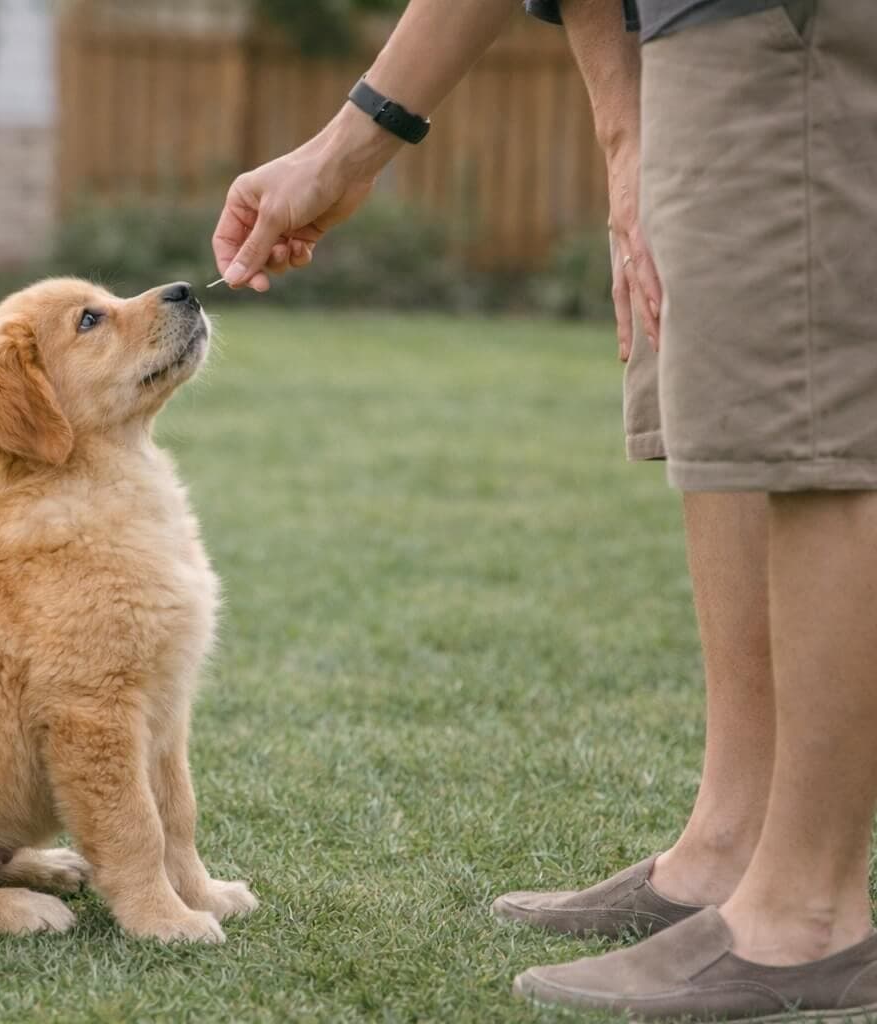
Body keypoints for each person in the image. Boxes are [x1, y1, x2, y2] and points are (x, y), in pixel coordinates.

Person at [211, 0, 877, 1017]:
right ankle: (730, 846)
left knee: (806, 411)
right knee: (722, 390)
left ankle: (807, 916)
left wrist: (358, 139)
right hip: (695, 24)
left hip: (781, 21)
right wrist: (625, 126)